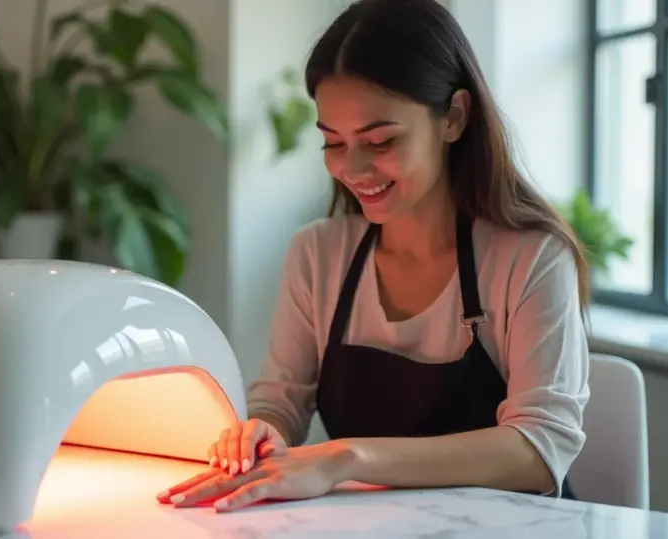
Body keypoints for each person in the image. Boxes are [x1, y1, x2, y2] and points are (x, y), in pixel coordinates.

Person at [156, 0, 590, 513]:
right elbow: (281, 402)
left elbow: (538, 451)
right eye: (332, 143)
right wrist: (259, 432)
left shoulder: (532, 257)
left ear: (453, 117)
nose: (353, 167)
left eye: (379, 140)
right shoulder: (317, 254)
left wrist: (347, 458)